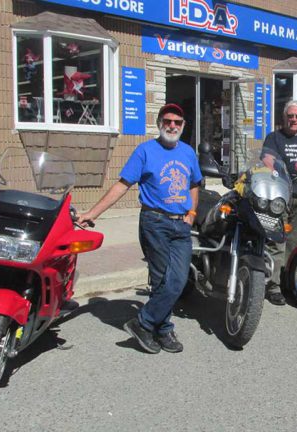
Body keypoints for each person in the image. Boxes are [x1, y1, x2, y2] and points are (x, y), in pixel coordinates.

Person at [78, 103, 201, 354]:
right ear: (159, 124)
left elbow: (194, 184)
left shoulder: (188, 153)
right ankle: (164, 329)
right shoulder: (145, 151)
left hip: (181, 224)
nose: (172, 126)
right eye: (167, 121)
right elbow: (122, 185)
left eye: (177, 122)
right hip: (155, 222)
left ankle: (143, 322)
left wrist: (192, 213)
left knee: (177, 280)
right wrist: (93, 213)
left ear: (183, 126)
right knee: (161, 280)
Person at [260, 100, 297, 305]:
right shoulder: (274, 138)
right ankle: (273, 286)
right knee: (277, 243)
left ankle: (289, 283)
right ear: (284, 118)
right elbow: (267, 162)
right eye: (290, 116)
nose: (294, 120)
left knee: (295, 244)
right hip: (280, 198)